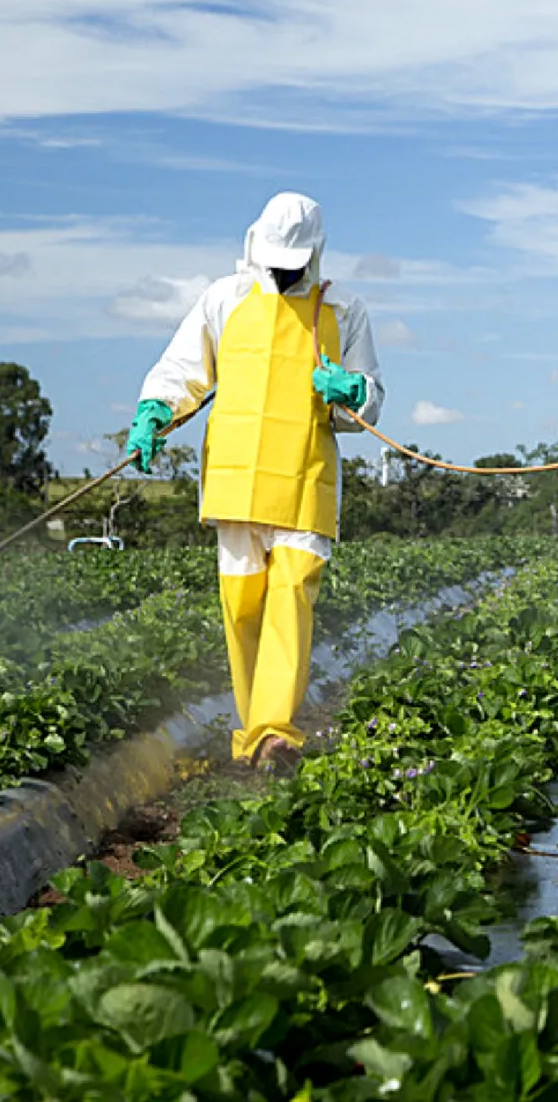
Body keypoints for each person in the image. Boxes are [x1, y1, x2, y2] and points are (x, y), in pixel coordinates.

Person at [124, 191, 383, 772]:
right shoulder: (225, 298)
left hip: (303, 476)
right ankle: (252, 740)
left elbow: (369, 402)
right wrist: (154, 414)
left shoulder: (343, 310)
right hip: (235, 480)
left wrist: (353, 391)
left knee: (291, 597)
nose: (283, 268)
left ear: (314, 253)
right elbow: (182, 370)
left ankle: (275, 734)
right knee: (242, 608)